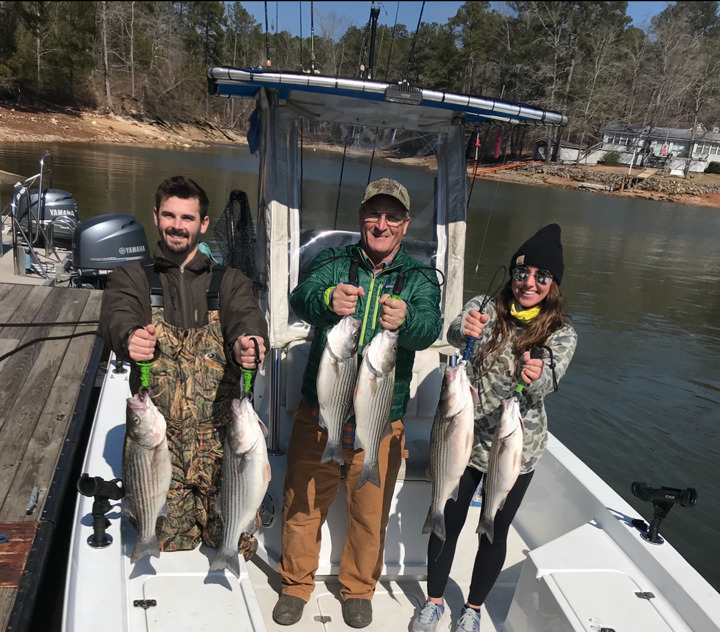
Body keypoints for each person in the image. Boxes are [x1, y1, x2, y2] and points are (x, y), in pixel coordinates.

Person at [273, 178, 442, 628]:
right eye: (374, 213)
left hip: (379, 420)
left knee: (370, 517)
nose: (381, 223)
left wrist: (406, 322)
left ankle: (358, 589)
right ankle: (295, 583)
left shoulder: (421, 277)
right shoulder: (332, 261)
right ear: (361, 218)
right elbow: (301, 299)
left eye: (391, 216)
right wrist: (327, 299)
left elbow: (429, 327)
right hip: (321, 414)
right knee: (302, 504)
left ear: (405, 225)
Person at [411, 223, 577, 632]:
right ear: (512, 274)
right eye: (522, 273)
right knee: (447, 520)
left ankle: (472, 609)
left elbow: (548, 382)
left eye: (541, 276)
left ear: (553, 283)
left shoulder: (562, 332)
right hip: (461, 443)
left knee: (494, 530)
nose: (529, 283)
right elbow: (453, 335)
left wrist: (536, 374)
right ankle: (433, 602)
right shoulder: (485, 305)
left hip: (514, 449)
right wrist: (462, 326)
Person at [99, 175, 268, 554]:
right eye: (170, 215)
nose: (178, 225)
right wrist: (129, 337)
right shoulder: (132, 277)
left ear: (203, 224)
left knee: (232, 539)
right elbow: (116, 315)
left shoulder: (229, 282)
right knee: (164, 539)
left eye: (188, 218)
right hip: (162, 445)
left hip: (221, 443)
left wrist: (249, 341)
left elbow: (247, 318)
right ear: (156, 217)